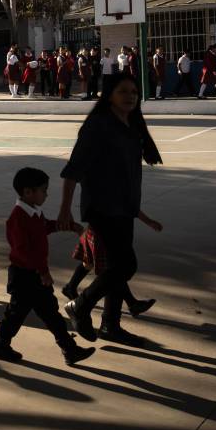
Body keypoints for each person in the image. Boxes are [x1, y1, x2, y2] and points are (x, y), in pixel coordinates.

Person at [59, 73, 164, 347]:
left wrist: (138, 212)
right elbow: (73, 170)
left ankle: (110, 325)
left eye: (134, 91)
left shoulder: (131, 124)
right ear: (109, 95)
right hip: (101, 206)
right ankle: (79, 305)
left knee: (118, 267)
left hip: (124, 208)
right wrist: (65, 210)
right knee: (126, 265)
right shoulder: (98, 125)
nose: (130, 96)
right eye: (123, 91)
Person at [0, 167, 96, 366]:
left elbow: (44, 226)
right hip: (25, 276)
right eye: (43, 190)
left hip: (35, 275)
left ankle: (69, 349)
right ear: (28, 192)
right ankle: (0, 345)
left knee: (49, 313)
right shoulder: (18, 218)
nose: (46, 194)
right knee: (16, 314)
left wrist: (69, 226)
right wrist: (43, 272)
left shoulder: (33, 212)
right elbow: (24, 252)